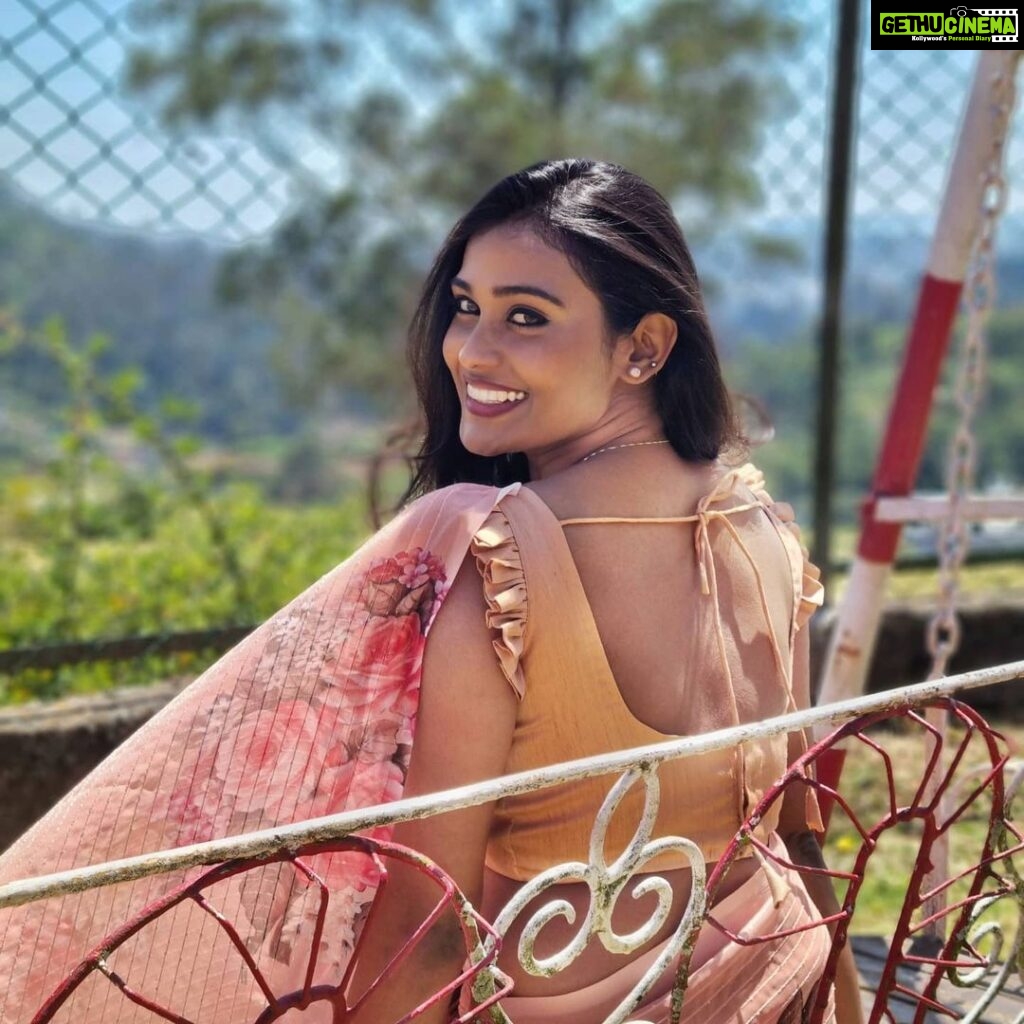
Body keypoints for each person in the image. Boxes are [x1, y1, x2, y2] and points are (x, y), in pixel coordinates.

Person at [0, 159, 859, 1023]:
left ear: (644, 347)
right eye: (466, 307)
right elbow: (797, 823)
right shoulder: (757, 521)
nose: (472, 352)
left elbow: (429, 928)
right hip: (773, 970)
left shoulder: (499, 557)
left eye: (528, 317)